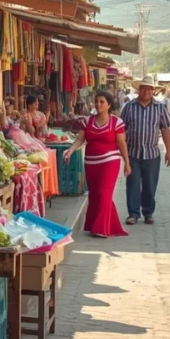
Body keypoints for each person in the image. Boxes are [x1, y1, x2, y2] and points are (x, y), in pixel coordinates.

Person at [63, 91, 131, 238]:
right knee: (95, 194)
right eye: (96, 101)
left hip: (110, 162)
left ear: (109, 105)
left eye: (101, 102)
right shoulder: (87, 121)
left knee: (104, 193)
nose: (98, 104)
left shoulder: (116, 122)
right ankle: (103, 224)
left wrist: (127, 163)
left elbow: (122, 144)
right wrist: (70, 150)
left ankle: (101, 228)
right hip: (91, 162)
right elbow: (80, 139)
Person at [119, 76, 170, 225]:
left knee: (150, 185)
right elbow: (121, 130)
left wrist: (169, 151)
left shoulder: (160, 108)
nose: (147, 91)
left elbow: (166, 129)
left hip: (152, 154)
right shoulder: (129, 107)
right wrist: (121, 151)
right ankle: (133, 214)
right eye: (144, 88)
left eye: (150, 89)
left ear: (153, 91)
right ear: (139, 89)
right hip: (133, 154)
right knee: (133, 184)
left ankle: (148, 212)